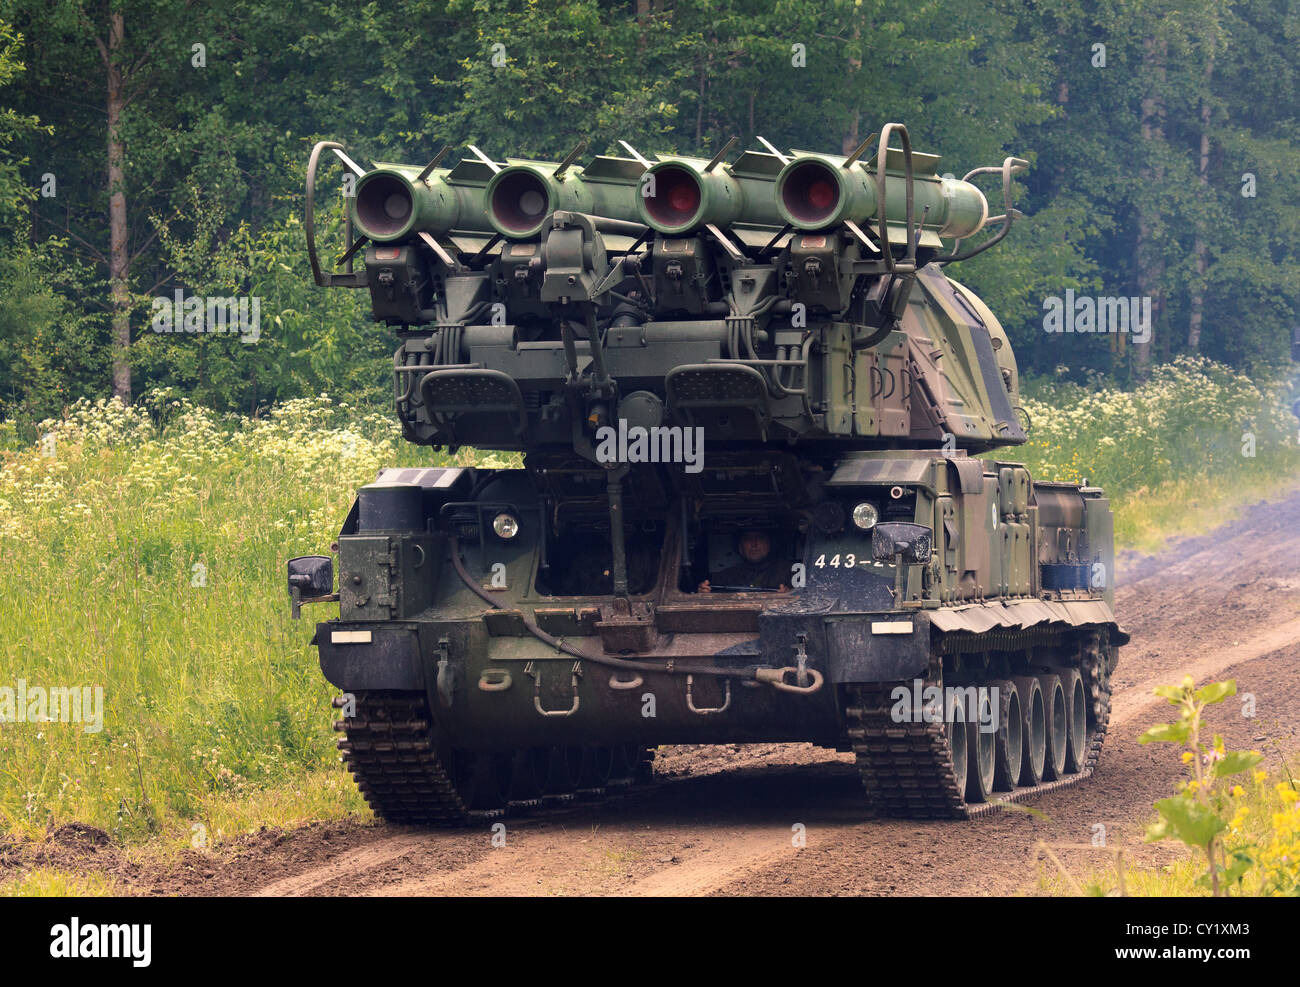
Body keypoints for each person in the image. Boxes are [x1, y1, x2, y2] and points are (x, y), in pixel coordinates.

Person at [698, 529, 790, 593]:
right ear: (740, 546)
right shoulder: (724, 577)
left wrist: (790, 595)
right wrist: (703, 593)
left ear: (770, 543)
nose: (754, 544)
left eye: (760, 537)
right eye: (748, 538)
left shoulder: (788, 572)